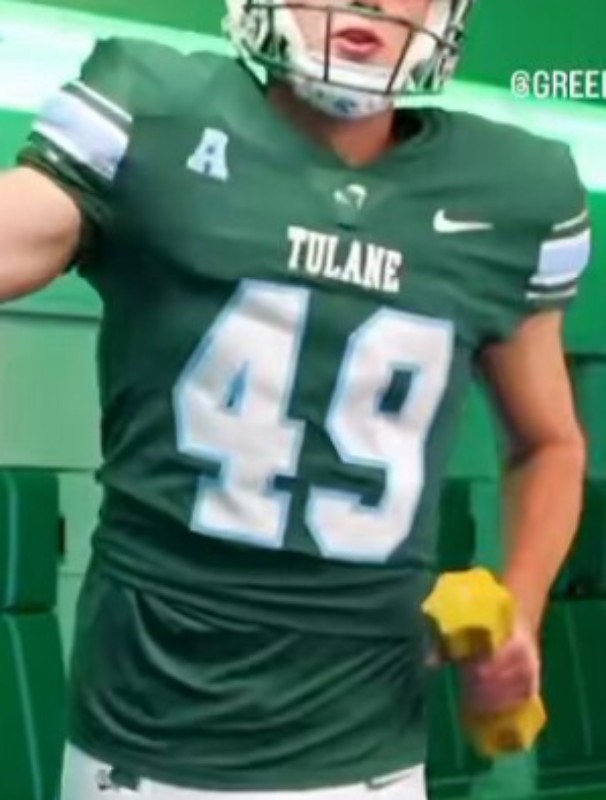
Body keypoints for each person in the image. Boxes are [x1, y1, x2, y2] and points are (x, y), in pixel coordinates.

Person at [0, 0, 591, 798]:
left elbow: (549, 442)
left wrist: (521, 604)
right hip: (144, 746)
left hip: (370, 757)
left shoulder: (512, 195)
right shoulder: (156, 115)